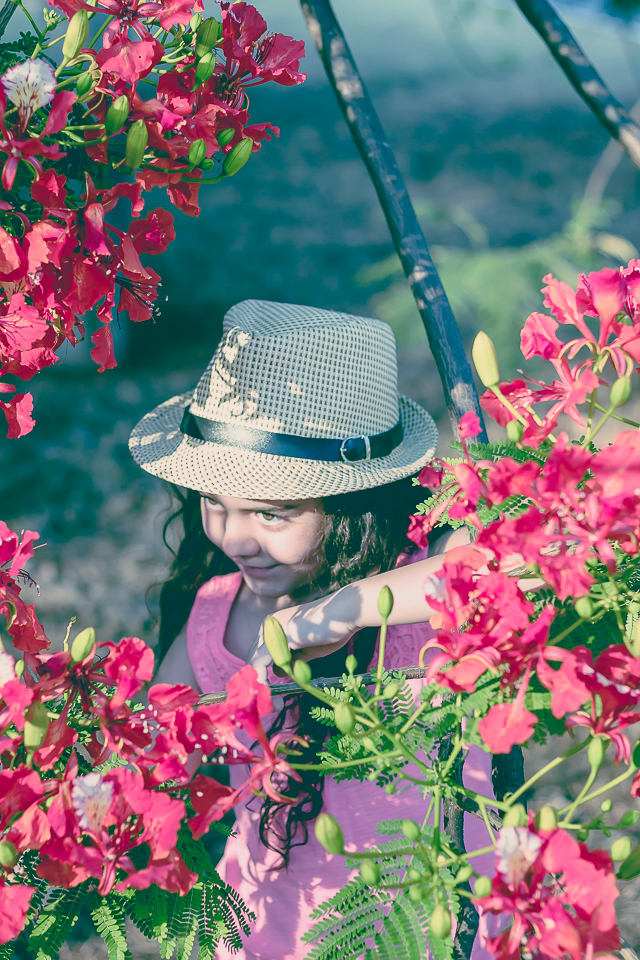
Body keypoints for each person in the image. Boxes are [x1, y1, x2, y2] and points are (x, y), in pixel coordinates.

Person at [129, 300, 495, 960]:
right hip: (267, 928)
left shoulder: (425, 577)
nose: (235, 537)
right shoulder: (217, 618)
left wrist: (341, 609)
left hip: (434, 925)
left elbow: (518, 568)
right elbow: (146, 759)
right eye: (216, 504)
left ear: (353, 503)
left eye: (272, 514)